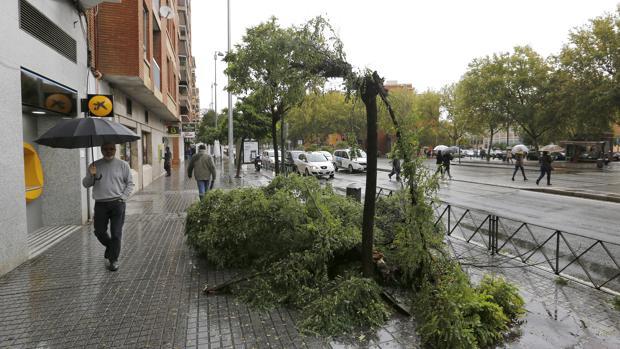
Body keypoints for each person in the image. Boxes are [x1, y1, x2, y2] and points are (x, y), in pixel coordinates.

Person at [82, 143, 134, 272]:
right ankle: (111, 247)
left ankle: (113, 260)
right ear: (101, 150)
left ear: (115, 150)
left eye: (111, 149)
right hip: (100, 204)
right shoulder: (94, 165)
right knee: (99, 231)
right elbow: (86, 184)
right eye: (105, 149)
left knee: (116, 233)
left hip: (117, 204)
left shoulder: (123, 165)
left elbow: (130, 183)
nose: (109, 151)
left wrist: (123, 198)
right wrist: (91, 175)